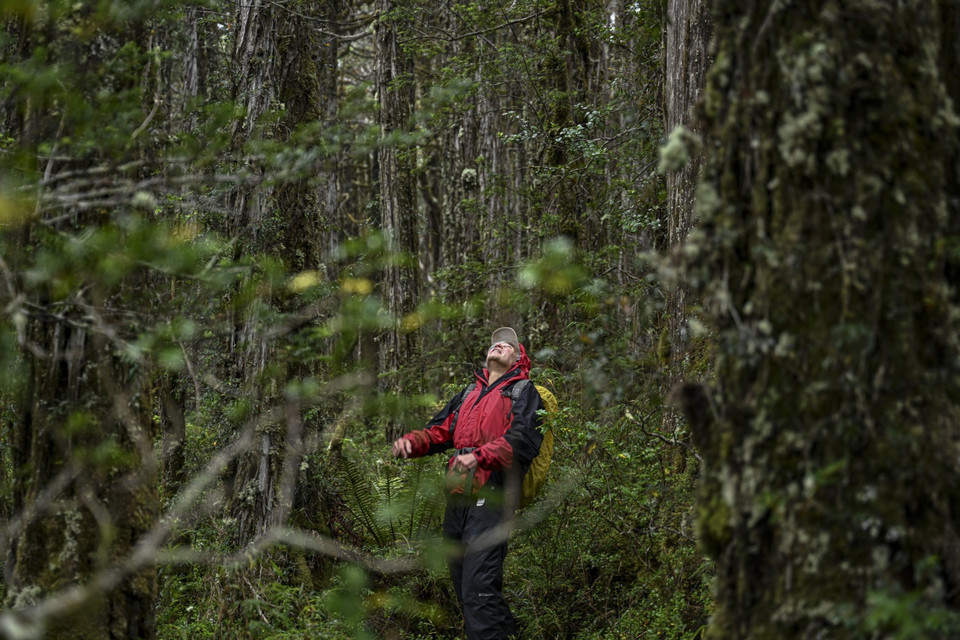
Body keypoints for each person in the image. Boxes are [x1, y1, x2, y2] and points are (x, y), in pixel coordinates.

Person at [392, 327, 544, 640]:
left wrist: (480, 456)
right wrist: (411, 442)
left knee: (479, 587)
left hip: (493, 495)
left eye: (510, 344)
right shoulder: (468, 394)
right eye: (496, 342)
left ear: (519, 358)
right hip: (458, 498)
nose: (500, 344)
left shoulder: (522, 391)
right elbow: (438, 432)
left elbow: (523, 441)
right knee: (467, 586)